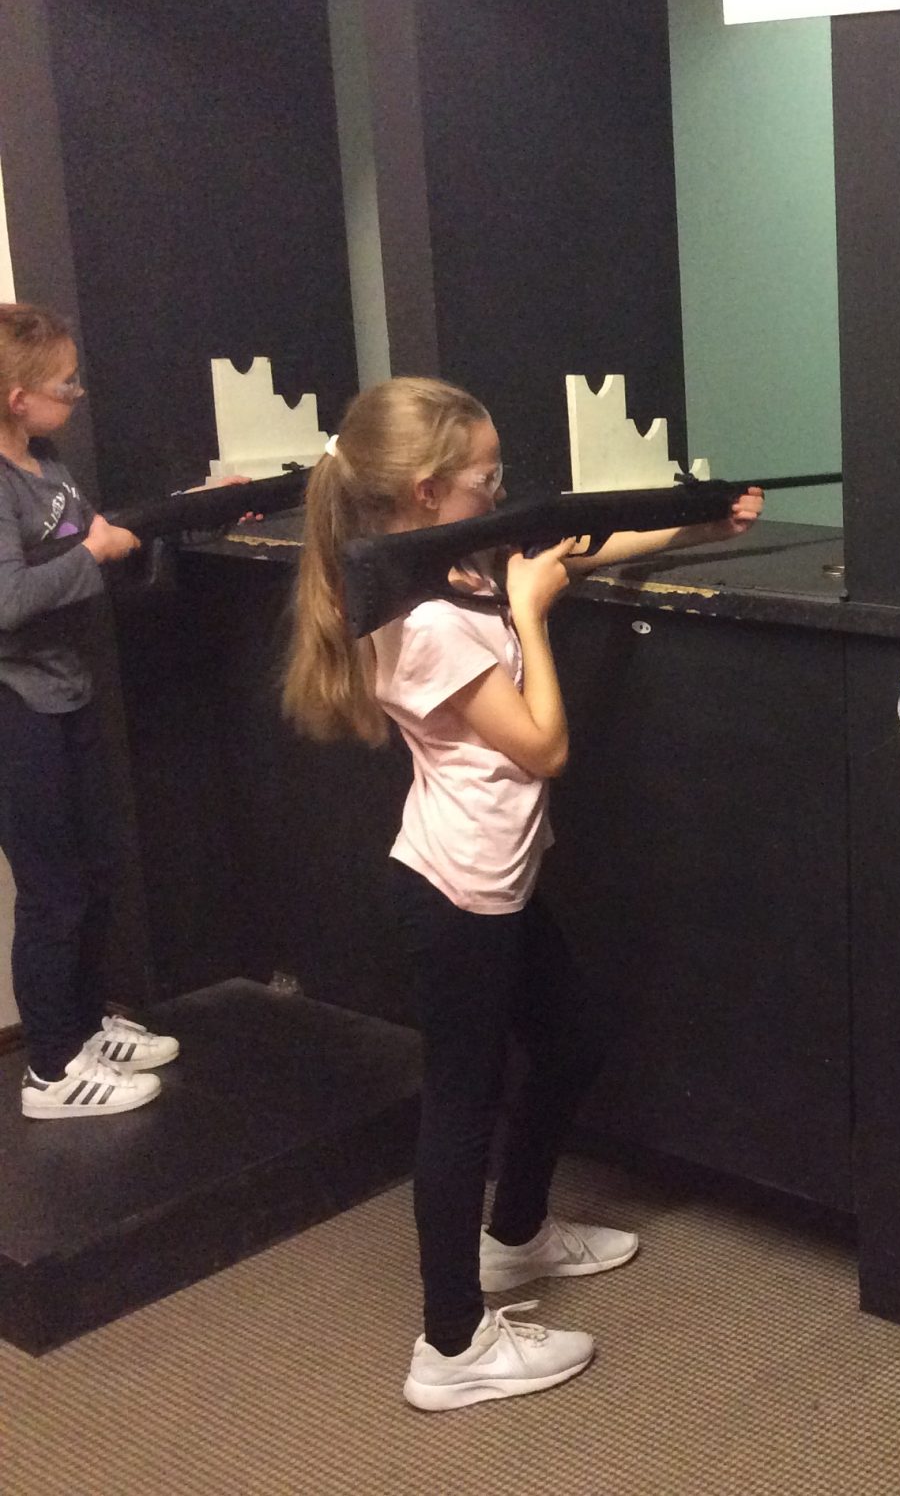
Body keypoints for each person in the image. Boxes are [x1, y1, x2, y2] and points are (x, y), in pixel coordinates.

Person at [282, 376, 762, 1410]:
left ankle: (515, 1233)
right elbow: (542, 745)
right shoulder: (423, 619)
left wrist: (694, 520)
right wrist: (533, 620)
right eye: (486, 480)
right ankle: (449, 1346)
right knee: (460, 1105)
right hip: (458, 892)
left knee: (572, 1039)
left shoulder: (449, 564)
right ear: (424, 493)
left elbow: (569, 551)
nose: (501, 495)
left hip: (493, 879)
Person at [0, 302, 180, 1120]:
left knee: (96, 868)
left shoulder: (46, 461)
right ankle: (49, 1069)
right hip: (17, 706)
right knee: (52, 890)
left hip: (67, 689)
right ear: (17, 397)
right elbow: (8, 599)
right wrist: (94, 552)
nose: (76, 395)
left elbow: (85, 540)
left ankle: (81, 1029)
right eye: (64, 384)